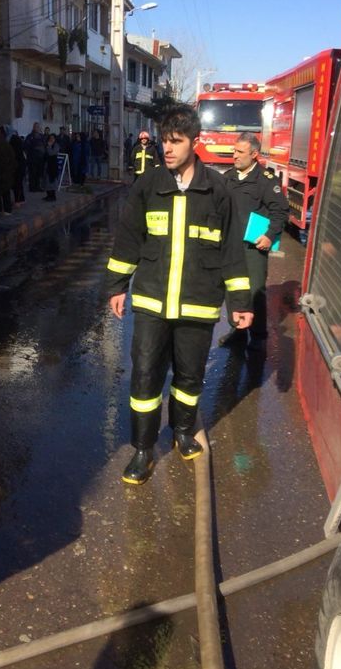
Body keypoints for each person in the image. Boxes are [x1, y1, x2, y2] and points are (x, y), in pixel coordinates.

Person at [106, 105, 253, 485]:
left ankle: (183, 431)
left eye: (175, 141)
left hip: (197, 305)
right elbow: (128, 239)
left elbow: (232, 250)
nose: (167, 149)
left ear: (194, 142)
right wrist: (118, 286)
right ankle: (143, 449)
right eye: (164, 141)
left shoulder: (217, 190)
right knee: (145, 377)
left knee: (189, 376)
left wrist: (240, 303)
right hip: (152, 303)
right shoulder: (148, 185)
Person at [220, 132, 289, 348]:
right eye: (234, 151)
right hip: (230, 245)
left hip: (253, 247)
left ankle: (258, 335)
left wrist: (269, 236)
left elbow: (280, 212)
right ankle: (237, 331)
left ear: (254, 154)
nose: (235, 156)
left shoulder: (265, 180)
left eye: (240, 152)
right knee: (233, 288)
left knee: (255, 290)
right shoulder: (228, 177)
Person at [24, 122, 45, 192]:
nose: (37, 128)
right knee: (33, 173)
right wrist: (35, 148)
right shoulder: (30, 136)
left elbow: (44, 144)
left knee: (39, 173)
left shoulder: (42, 136)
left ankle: (38, 186)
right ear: (33, 128)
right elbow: (26, 146)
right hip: (32, 158)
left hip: (40, 158)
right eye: (36, 127)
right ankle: (32, 187)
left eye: (38, 127)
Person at [43, 132, 59, 201]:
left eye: (53, 138)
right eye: (50, 138)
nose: (51, 139)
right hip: (47, 165)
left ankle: (53, 196)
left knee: (52, 181)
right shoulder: (47, 145)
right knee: (46, 180)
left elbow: (51, 153)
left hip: (53, 166)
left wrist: (49, 146)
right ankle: (48, 195)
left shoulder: (56, 145)